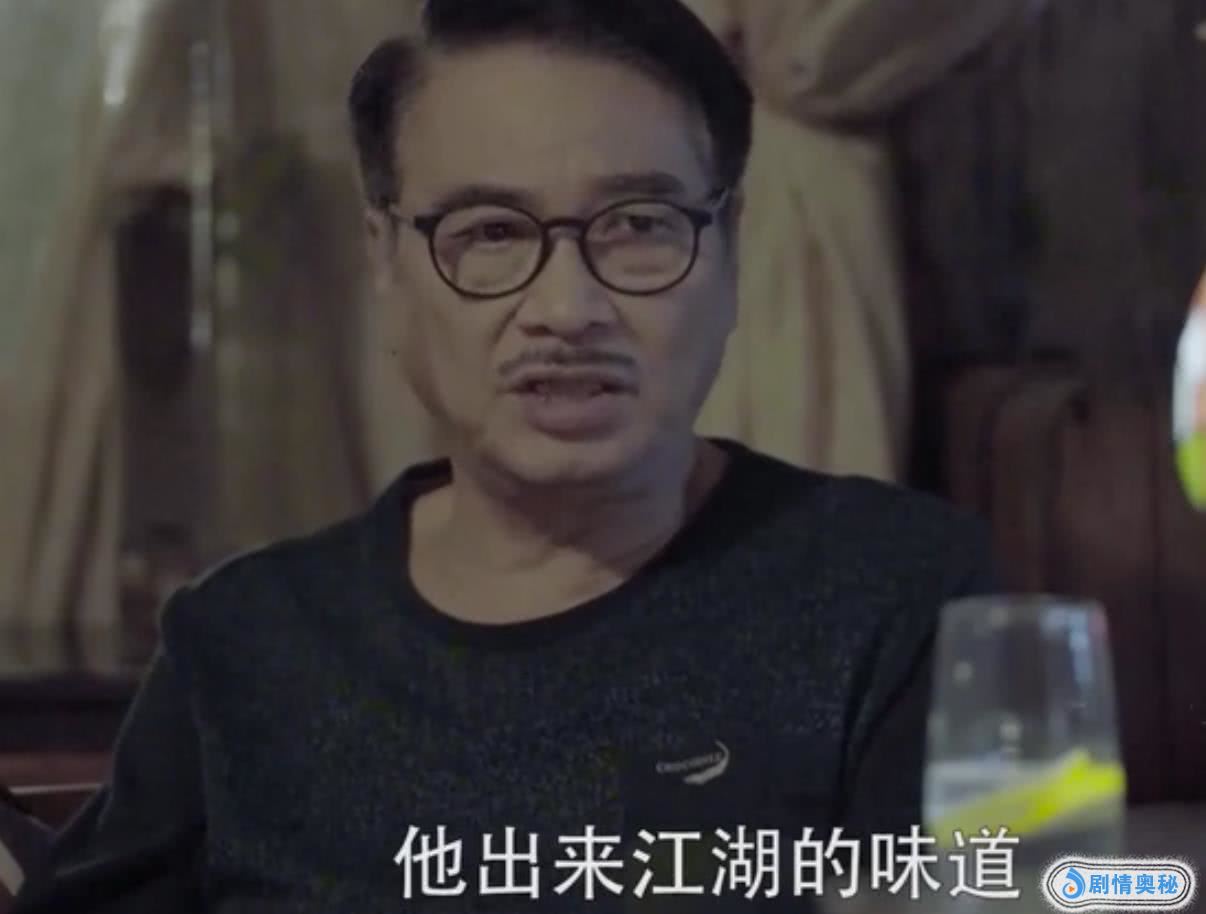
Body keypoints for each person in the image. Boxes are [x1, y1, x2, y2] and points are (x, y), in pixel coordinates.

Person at [13, 1, 997, 911]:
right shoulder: (243, 647)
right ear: (386, 263)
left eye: (638, 226)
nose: (567, 310)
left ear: (731, 249)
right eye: (490, 232)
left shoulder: (906, 598)